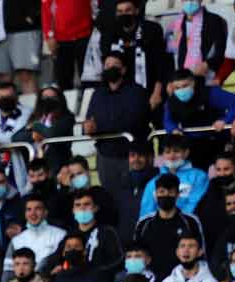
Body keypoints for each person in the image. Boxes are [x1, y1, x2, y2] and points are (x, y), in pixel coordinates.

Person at [84, 54, 153, 195]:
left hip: (132, 155)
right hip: (106, 156)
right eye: (107, 65)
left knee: (136, 195)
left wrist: (100, 128)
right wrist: (87, 128)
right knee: (110, 197)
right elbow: (89, 121)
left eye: (114, 65)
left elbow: (134, 121)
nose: (110, 68)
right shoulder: (98, 94)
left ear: (123, 69)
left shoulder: (136, 91)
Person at [43, 0, 92, 90]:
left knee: (89, 77)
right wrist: (49, 35)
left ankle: (90, 102)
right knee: (63, 80)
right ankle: (66, 102)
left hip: (85, 35)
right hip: (61, 39)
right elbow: (46, 8)